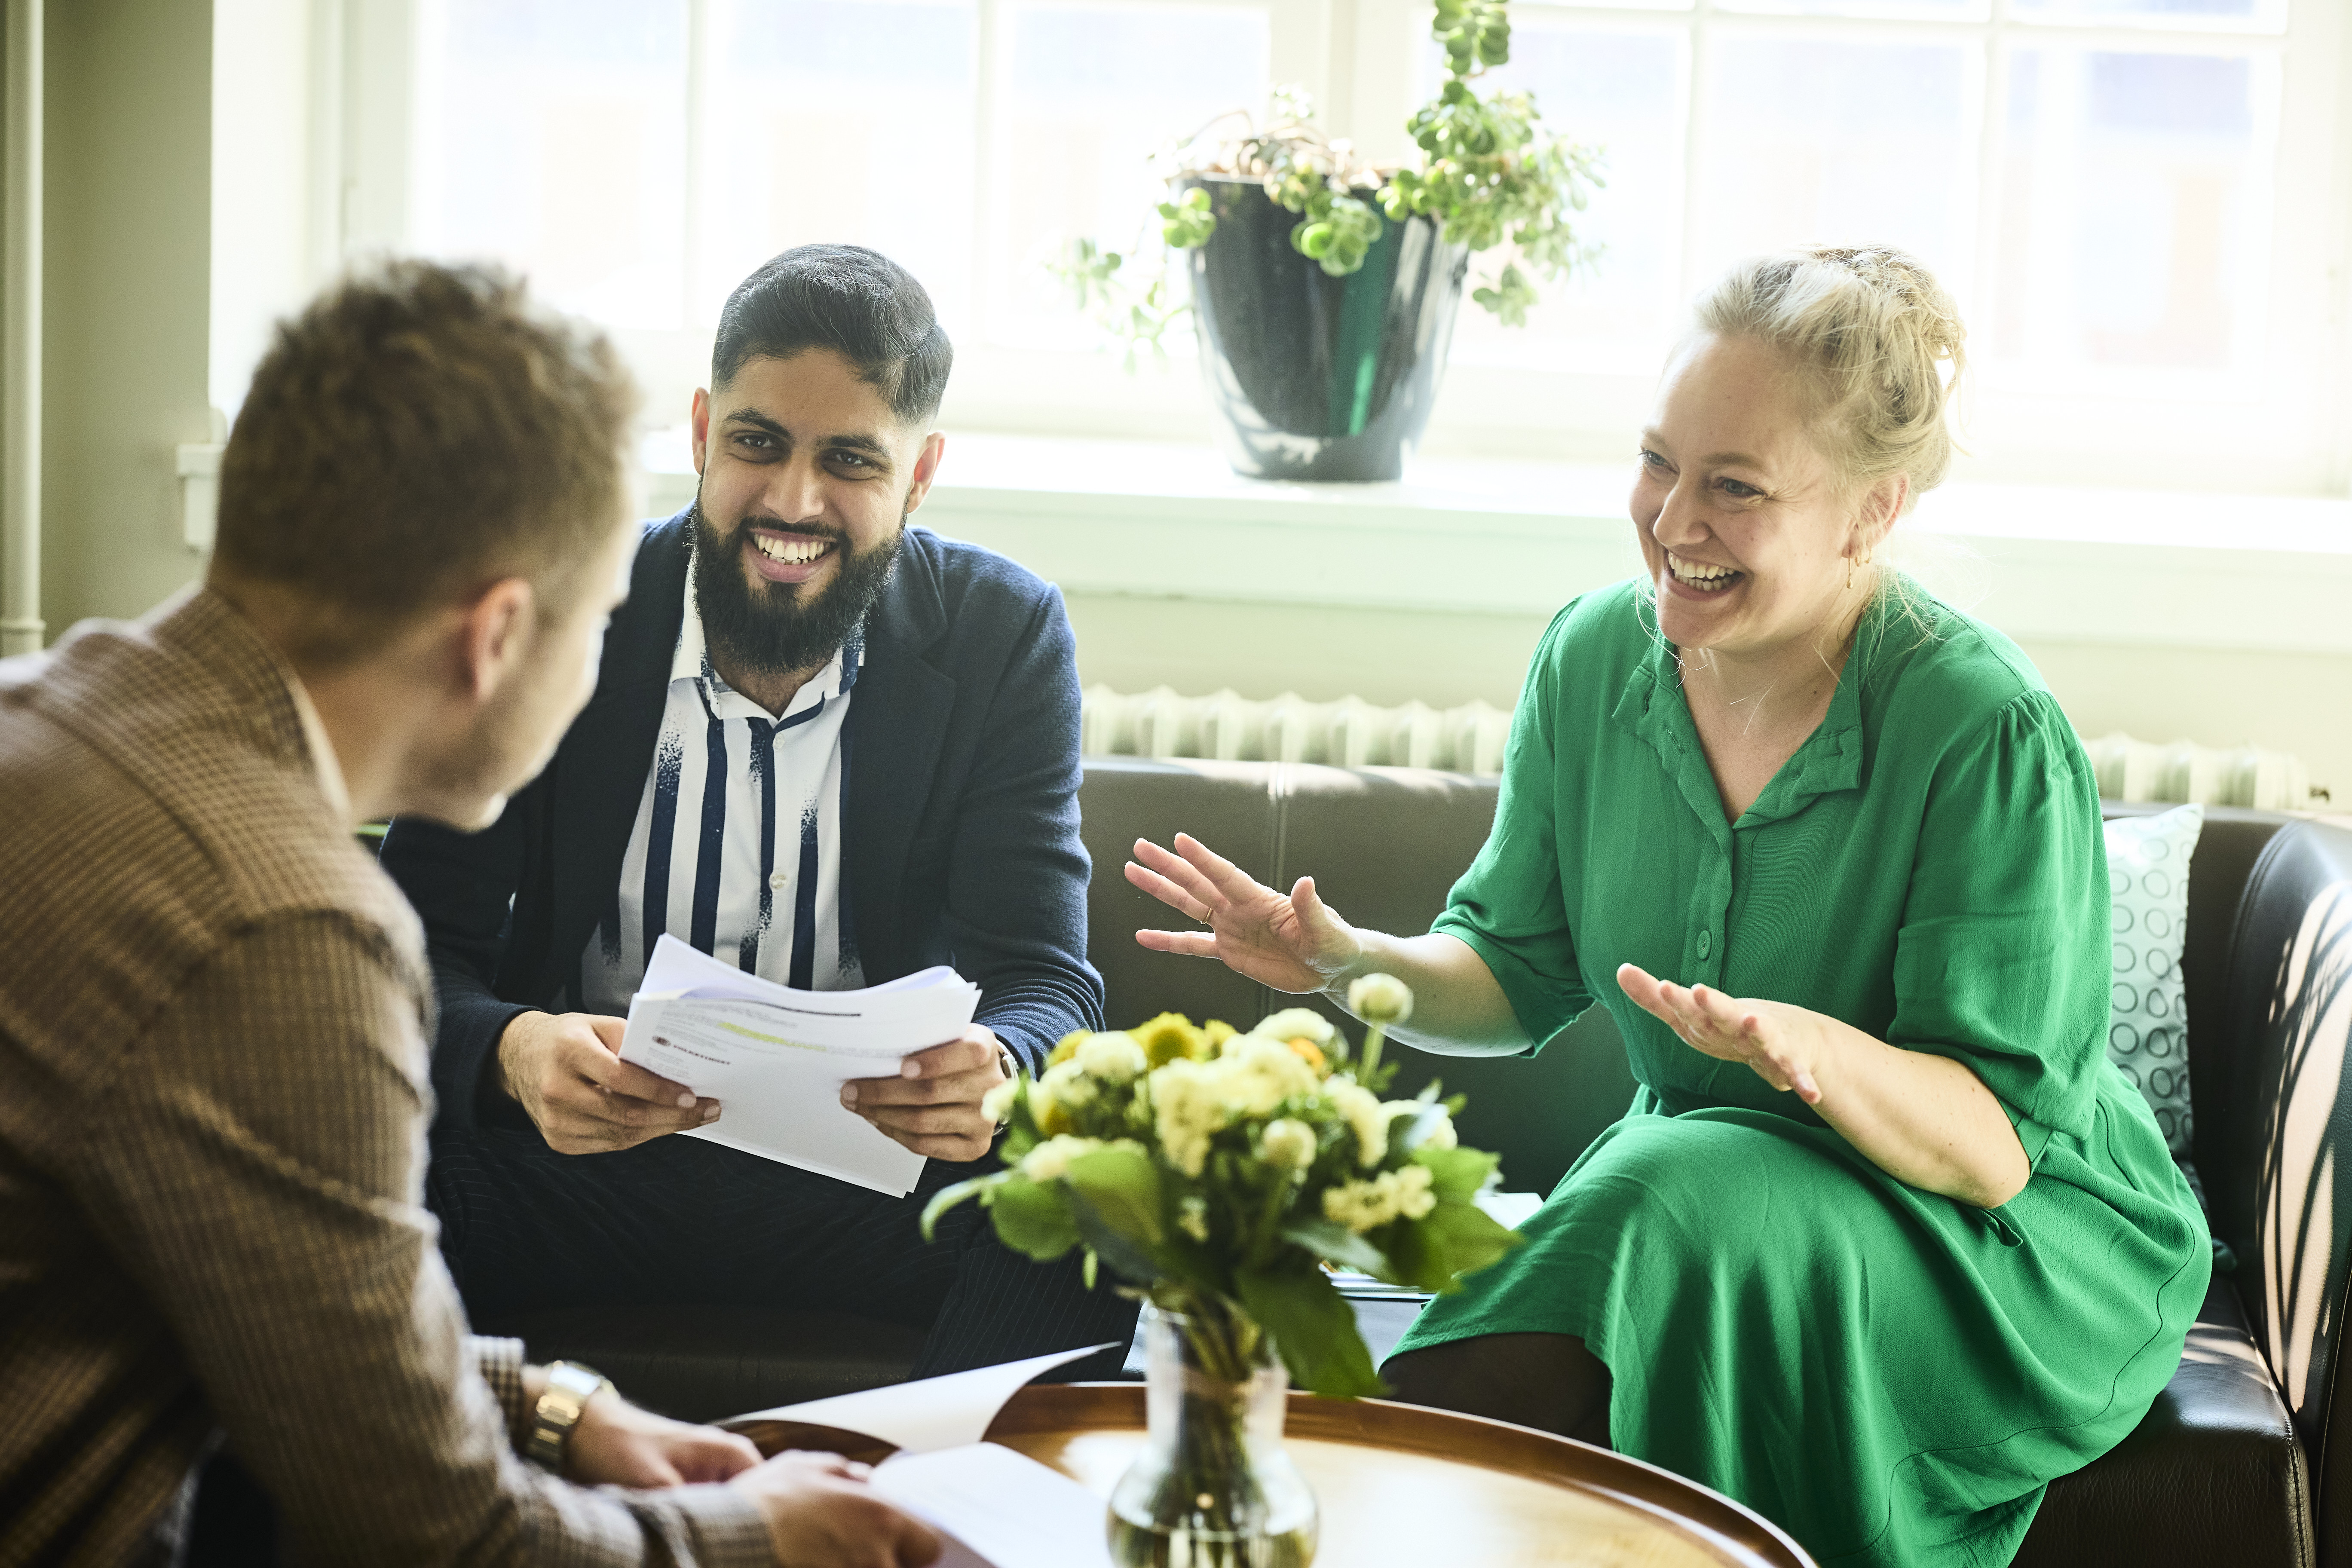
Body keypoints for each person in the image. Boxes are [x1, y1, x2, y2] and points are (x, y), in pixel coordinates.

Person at [1124, 246, 2210, 1566]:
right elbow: (1516, 972)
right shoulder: (1592, 658)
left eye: (1735, 489)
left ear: (1871, 513)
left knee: (1665, 1183)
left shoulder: (1982, 730)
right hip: (1706, 1202)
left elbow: (1992, 1147)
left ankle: (1317, 1518)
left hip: (1992, 1241)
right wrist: (1352, 965)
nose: (1672, 521)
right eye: (1658, 464)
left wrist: (1820, 1056)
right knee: (1670, 1187)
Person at [0, 260, 941, 1565]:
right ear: (497, 636)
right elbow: (439, 1531)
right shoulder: (283, 930)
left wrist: (553, 1407)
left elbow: (278, 1301)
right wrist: (757, 1536)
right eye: (604, 612)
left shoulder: (56, 718)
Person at [380, 244, 1133, 1376]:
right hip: (572, 1166)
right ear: (699, 432)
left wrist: (1001, 1069)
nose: (793, 501)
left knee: (1098, 1204)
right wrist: (513, 1050)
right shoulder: (552, 613)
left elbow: (1047, 979)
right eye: (758, 443)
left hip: (869, 1190)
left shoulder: (1003, 635)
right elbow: (407, 951)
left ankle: (950, 1533)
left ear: (919, 475)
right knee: (348, 1147)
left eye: (849, 461)